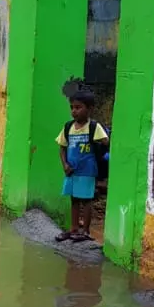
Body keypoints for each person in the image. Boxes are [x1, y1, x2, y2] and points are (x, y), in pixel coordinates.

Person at [56, 86, 110, 242]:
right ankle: (73, 228)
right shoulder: (68, 127)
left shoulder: (93, 127)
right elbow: (62, 148)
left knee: (86, 200)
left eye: (78, 108)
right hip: (72, 171)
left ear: (89, 109)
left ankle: (85, 231)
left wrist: (98, 143)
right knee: (74, 199)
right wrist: (65, 165)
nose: (74, 111)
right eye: (72, 107)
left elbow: (105, 141)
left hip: (87, 170)